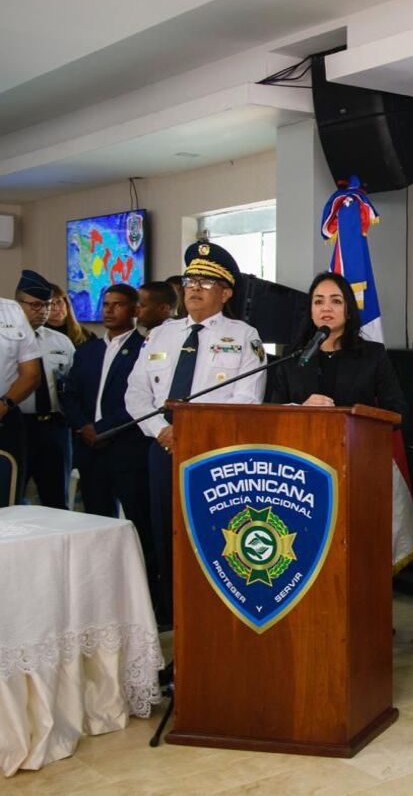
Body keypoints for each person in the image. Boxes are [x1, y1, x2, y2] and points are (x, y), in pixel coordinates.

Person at [126, 242, 266, 623]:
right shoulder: (161, 335)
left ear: (226, 292)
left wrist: (192, 432)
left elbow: (246, 399)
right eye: (190, 281)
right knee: (164, 533)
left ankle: (211, 617)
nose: (194, 289)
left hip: (213, 453)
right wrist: (162, 430)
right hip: (164, 450)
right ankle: (173, 617)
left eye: (206, 282)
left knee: (210, 537)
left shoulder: (244, 336)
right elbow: (136, 393)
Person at [62, 285, 157, 602]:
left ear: (135, 310)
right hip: (91, 449)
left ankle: (145, 592)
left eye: (118, 305)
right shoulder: (87, 351)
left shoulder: (145, 348)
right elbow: (69, 395)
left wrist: (103, 428)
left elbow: (141, 399)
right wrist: (84, 427)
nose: (109, 310)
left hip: (126, 448)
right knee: (96, 519)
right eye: (106, 304)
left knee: (138, 522)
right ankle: (101, 591)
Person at [265, 272, 405, 414]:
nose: (326, 308)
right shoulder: (292, 356)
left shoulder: (373, 355)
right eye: (318, 302)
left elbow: (397, 411)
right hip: (303, 429)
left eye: (336, 301)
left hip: (356, 429)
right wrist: (302, 410)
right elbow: (274, 414)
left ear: (349, 311)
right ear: (311, 312)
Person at [15, 270, 75, 508]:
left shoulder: (60, 342)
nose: (43, 311)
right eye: (35, 305)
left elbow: (72, 386)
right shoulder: (5, 339)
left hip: (53, 427)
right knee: (10, 496)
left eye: (47, 305)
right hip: (14, 425)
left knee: (57, 499)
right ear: (18, 305)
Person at [0, 295, 42, 505]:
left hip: (4, 418)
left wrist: (3, 405)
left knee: (6, 501)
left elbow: (32, 374)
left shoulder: (12, 311)